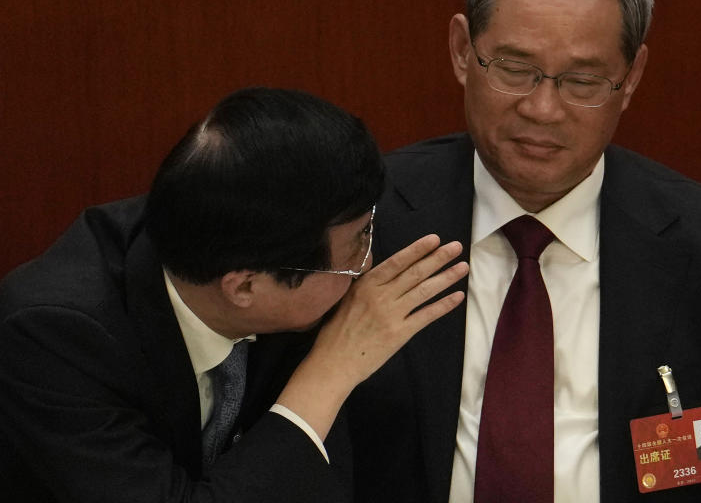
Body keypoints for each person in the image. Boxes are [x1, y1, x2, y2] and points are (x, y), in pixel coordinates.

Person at [347, 0, 701, 502]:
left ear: (631, 77)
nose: (542, 109)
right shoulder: (363, 217)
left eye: (583, 81)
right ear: (463, 51)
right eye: (514, 69)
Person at [0, 87, 467, 502]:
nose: (366, 266)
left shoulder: (285, 262)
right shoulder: (53, 336)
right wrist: (330, 371)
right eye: (357, 247)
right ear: (244, 286)